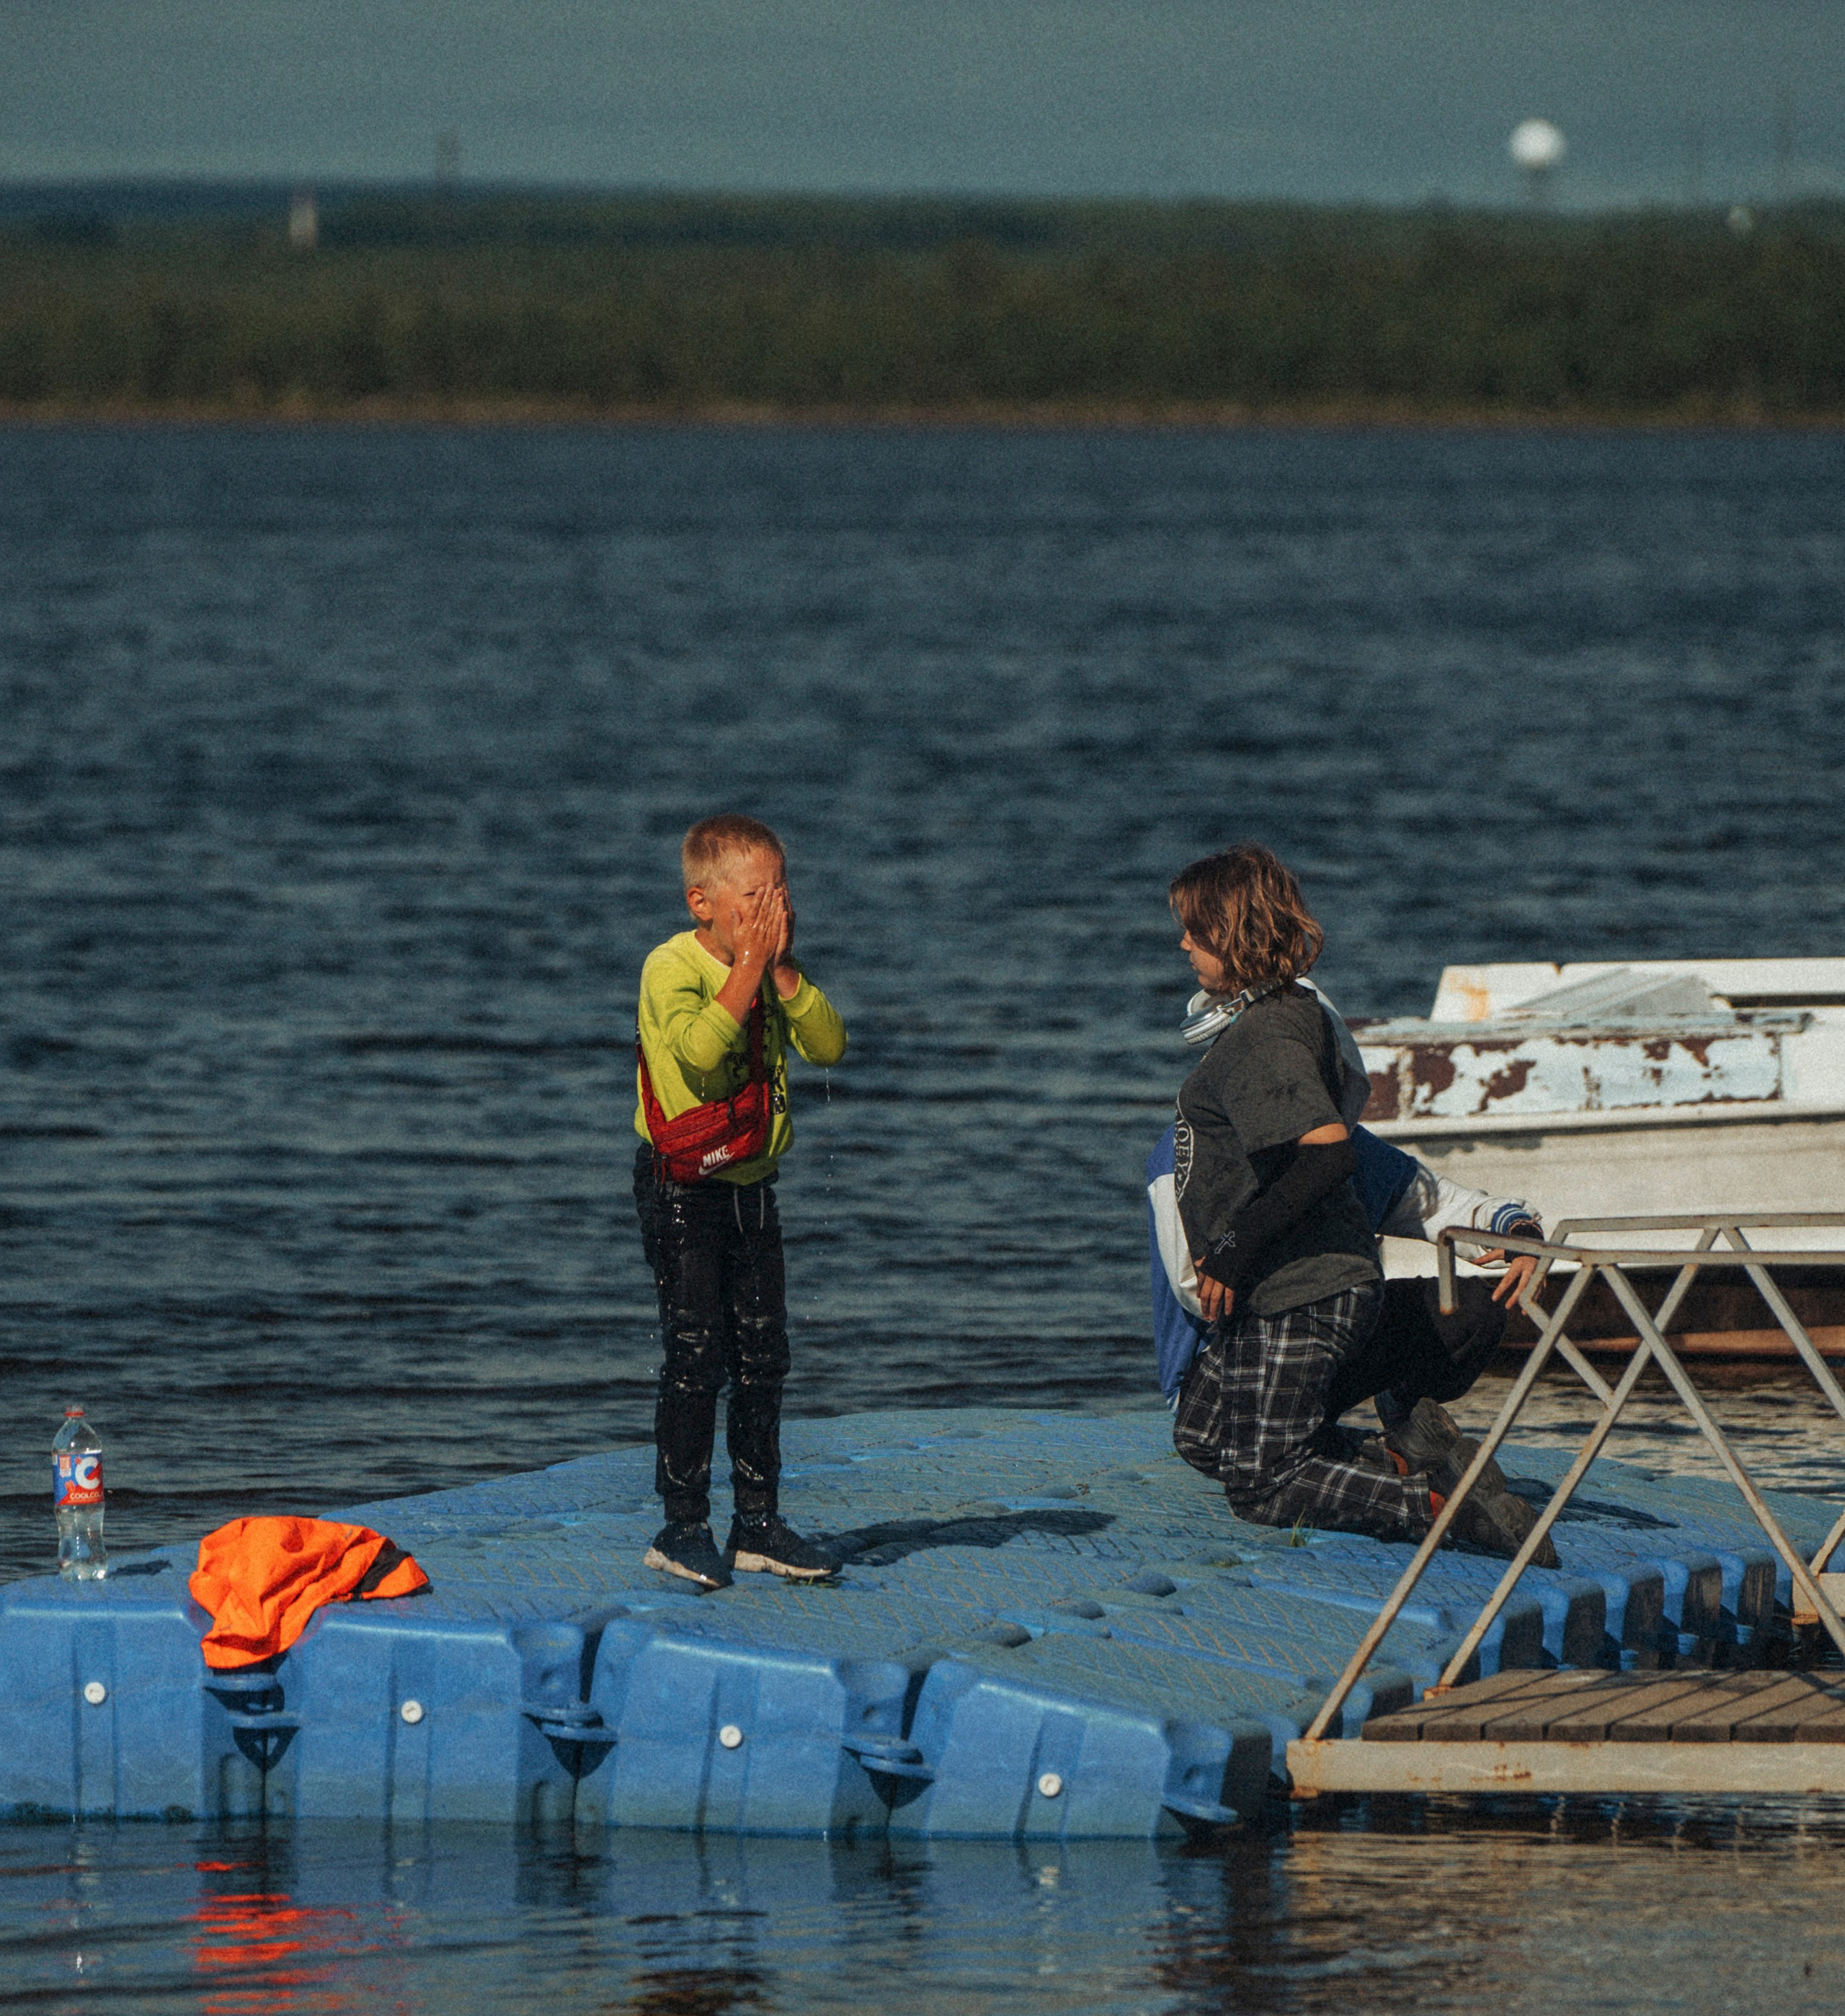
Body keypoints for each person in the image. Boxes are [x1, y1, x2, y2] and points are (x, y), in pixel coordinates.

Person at [1162, 842, 1551, 1561]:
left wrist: (1231, 1250)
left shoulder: (1264, 1034)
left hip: (1302, 1290)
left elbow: (1330, 1150)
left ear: (1233, 929)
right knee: (1202, 1433)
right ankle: (1410, 1454)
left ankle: (1443, 1511)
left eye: (1195, 927)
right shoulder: (1280, 1018)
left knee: (1263, 1485)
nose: (1183, 942)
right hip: (1271, 1288)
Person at [631, 814, 848, 1590]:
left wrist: (782, 973)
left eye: (782, 890)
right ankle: (680, 1522)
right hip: (683, 1188)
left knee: (764, 1353)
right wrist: (748, 969)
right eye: (755, 896)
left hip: (753, 1184)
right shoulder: (672, 967)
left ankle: (757, 1520)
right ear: (702, 902)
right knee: (697, 1354)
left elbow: (828, 1045)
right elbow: (697, 1048)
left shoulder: (771, 971)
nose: (773, 908)